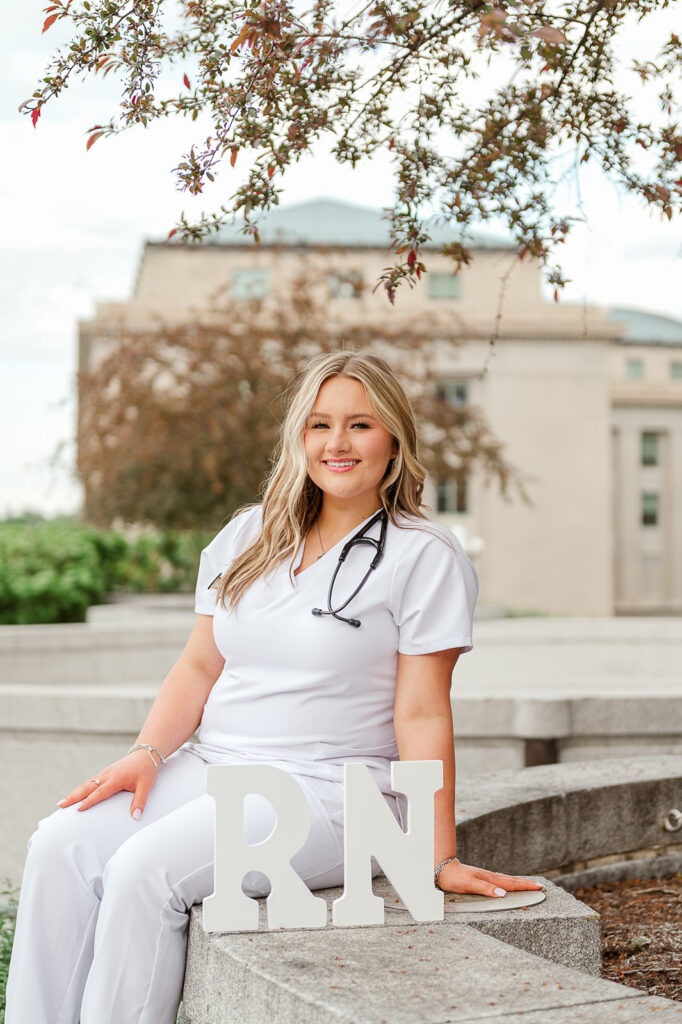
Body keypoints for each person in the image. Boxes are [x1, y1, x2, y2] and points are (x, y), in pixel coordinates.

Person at [5, 350, 542, 1024]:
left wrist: (437, 857)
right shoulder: (248, 535)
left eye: (360, 426)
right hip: (214, 764)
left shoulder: (424, 556)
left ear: (395, 440)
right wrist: (145, 754)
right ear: (299, 437)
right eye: (319, 425)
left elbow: (423, 709)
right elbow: (199, 667)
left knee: (145, 871)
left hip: (331, 790)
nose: (337, 444)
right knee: (59, 844)